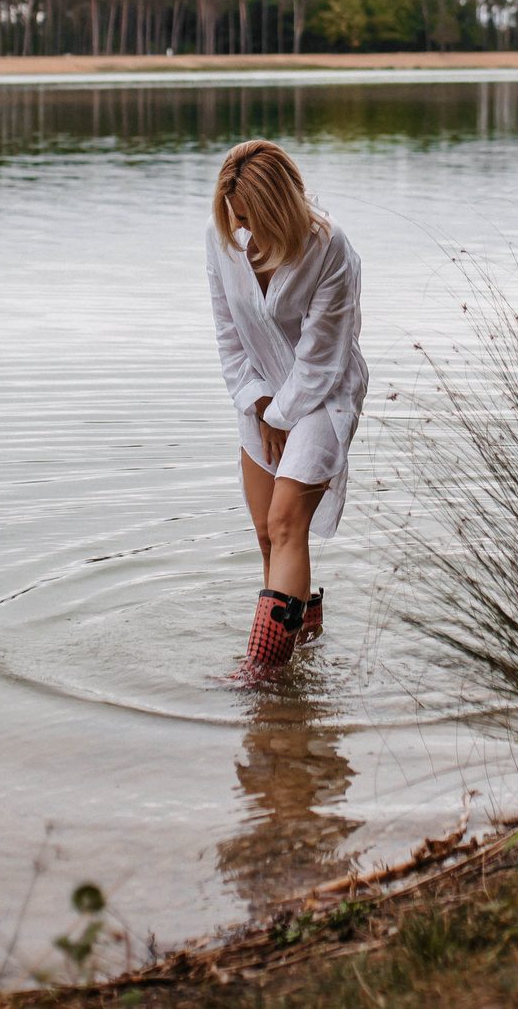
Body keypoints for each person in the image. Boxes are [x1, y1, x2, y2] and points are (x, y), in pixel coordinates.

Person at [206, 140, 368, 673]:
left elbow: (322, 359)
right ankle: (305, 628)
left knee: (284, 522)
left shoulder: (330, 250)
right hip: (257, 392)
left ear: (279, 208)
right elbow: (228, 334)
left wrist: (283, 416)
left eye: (253, 218)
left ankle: (261, 674)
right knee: (264, 533)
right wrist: (258, 402)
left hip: (324, 396)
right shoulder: (223, 238)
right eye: (237, 220)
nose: (243, 232)